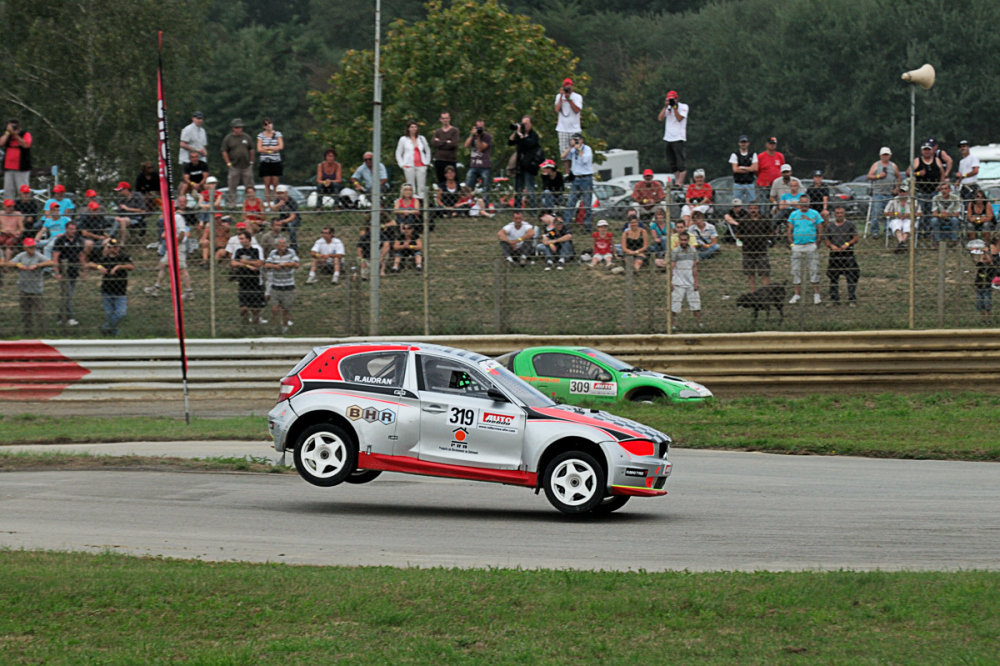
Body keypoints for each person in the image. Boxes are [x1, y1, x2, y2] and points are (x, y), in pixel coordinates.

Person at [144, 196, 193, 301]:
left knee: (182, 269)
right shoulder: (169, 218)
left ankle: (189, 292)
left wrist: (176, 243)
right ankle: (156, 288)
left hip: (178, 246)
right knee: (163, 265)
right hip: (171, 246)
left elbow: (182, 233)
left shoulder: (177, 218)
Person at [86, 239, 133, 336]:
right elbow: (89, 263)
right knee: (109, 314)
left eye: (117, 247)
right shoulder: (104, 259)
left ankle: (105, 327)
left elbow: (131, 266)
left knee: (121, 313)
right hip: (107, 290)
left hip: (120, 290)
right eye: (113, 247)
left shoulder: (123, 257)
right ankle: (113, 334)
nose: (115, 249)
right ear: (109, 248)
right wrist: (99, 267)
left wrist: (119, 266)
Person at [787, 195, 824, 305]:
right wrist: (791, 244)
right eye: (802, 203)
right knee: (796, 270)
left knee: (814, 269)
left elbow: (820, 228)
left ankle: (816, 294)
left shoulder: (815, 214)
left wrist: (817, 242)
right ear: (799, 203)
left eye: (806, 202)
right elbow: (789, 230)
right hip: (797, 245)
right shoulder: (794, 214)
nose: (804, 205)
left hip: (810, 244)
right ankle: (797, 294)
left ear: (809, 203)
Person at [11, 238, 53, 335]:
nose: (32, 249)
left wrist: (37, 265)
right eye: (30, 247)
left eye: (34, 247)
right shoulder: (21, 256)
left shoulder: (38, 256)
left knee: (39, 312)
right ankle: (27, 331)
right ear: (25, 248)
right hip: (23, 288)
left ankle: (42, 331)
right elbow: (10, 263)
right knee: (25, 312)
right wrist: (18, 265)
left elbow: (50, 262)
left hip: (36, 289)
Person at [729, 202, 771, 290]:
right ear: (748, 209)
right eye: (751, 208)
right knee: (750, 274)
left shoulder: (764, 220)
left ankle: (766, 294)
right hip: (747, 251)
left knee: (765, 273)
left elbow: (769, 232)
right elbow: (738, 233)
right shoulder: (744, 220)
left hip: (762, 250)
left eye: (755, 208)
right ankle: (754, 295)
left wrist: (763, 240)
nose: (753, 210)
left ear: (758, 209)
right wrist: (745, 240)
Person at [823, 205, 860, 306]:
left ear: (844, 214)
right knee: (833, 277)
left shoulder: (850, 224)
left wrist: (847, 244)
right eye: (837, 213)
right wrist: (831, 246)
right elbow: (826, 239)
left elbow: (856, 238)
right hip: (834, 254)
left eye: (841, 213)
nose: (839, 215)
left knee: (851, 277)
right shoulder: (830, 226)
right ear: (834, 215)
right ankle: (834, 299)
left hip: (847, 254)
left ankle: (852, 299)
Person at [51, 221, 85, 327]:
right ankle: (69, 317)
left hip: (74, 271)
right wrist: (56, 271)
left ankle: (61, 317)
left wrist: (83, 270)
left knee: (68, 295)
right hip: (64, 271)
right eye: (70, 229)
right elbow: (55, 257)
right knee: (68, 294)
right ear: (66, 229)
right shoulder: (60, 240)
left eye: (74, 229)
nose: (72, 231)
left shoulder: (79, 240)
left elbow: (81, 255)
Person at [264, 237, 299, 333]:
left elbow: (296, 263)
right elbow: (266, 264)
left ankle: (285, 326)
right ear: (276, 246)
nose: (283, 245)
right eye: (280, 243)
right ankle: (276, 327)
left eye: (284, 243)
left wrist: (284, 265)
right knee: (274, 309)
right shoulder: (273, 253)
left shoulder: (291, 252)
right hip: (276, 285)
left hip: (288, 285)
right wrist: (275, 266)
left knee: (285, 309)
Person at [230, 231, 266, 325]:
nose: (240, 241)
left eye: (242, 239)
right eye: (239, 239)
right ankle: (245, 325)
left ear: (248, 239)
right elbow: (233, 263)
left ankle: (255, 326)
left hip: (256, 282)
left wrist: (245, 261)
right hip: (243, 282)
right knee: (244, 308)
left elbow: (259, 263)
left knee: (255, 309)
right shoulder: (239, 251)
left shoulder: (256, 250)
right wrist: (247, 265)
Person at [562, 133, 594, 232]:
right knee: (570, 203)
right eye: (574, 140)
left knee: (587, 205)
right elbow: (563, 156)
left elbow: (584, 160)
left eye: (577, 140)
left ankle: (587, 226)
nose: (576, 142)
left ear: (581, 140)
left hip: (586, 179)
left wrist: (579, 149)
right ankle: (566, 225)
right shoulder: (572, 150)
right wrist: (570, 147)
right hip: (576, 179)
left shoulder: (587, 149)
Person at [866, 147, 901, 239]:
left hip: (889, 193)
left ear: (890, 155)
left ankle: (888, 231)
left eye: (887, 155)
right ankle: (875, 232)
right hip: (878, 193)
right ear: (880, 155)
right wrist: (878, 176)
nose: (885, 156)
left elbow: (899, 177)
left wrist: (897, 187)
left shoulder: (893, 166)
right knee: (876, 214)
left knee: (889, 214)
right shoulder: (876, 165)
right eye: (884, 155)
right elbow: (869, 176)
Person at [508, 116, 542, 210]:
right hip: (519, 165)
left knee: (530, 189)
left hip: (529, 166)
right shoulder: (519, 134)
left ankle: (533, 210)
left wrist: (520, 134)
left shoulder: (534, 135)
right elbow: (510, 142)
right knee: (518, 189)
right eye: (523, 123)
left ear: (531, 124)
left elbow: (528, 144)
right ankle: (517, 210)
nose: (524, 125)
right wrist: (516, 132)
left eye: (526, 123)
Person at [221, 118, 255, 207]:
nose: (239, 129)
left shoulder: (246, 137)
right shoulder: (228, 138)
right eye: (236, 127)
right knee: (232, 186)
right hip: (234, 166)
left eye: (240, 127)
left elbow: (251, 149)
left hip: (246, 166)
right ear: (233, 128)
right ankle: (231, 205)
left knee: (249, 186)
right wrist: (228, 163)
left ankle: (251, 204)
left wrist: (251, 162)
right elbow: (224, 151)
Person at [670, 232, 701, 327]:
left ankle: (699, 323)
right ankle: (672, 324)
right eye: (682, 240)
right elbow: (671, 267)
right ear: (679, 240)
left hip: (690, 282)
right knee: (675, 304)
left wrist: (696, 282)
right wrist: (671, 282)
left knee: (695, 303)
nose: (683, 242)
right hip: (678, 282)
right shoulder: (675, 252)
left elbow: (694, 267)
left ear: (688, 240)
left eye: (685, 240)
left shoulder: (693, 251)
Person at [658, 91, 688, 186]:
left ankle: (680, 182)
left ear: (677, 99)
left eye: (673, 99)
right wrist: (665, 106)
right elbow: (660, 118)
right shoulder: (668, 108)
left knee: (680, 162)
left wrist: (674, 107)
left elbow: (679, 118)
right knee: (672, 162)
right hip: (668, 137)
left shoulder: (683, 107)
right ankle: (677, 180)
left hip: (678, 137)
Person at [396, 120, 431, 203]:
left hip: (421, 164)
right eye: (412, 127)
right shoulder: (403, 139)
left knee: (421, 186)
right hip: (409, 165)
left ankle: (422, 203)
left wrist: (427, 163)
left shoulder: (421, 138)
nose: (414, 129)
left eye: (415, 127)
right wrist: (402, 164)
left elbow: (427, 150)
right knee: (411, 185)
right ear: (408, 128)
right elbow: (398, 152)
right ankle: (412, 203)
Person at [554, 78, 583, 175]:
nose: (567, 88)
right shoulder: (559, 96)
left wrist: (569, 99)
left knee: (577, 151)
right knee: (564, 153)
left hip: (575, 129)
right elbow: (557, 110)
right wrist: (562, 97)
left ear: (572, 86)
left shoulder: (577, 97)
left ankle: (576, 171)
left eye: (569, 86)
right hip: (562, 129)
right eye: (566, 86)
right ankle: (567, 173)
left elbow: (577, 110)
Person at [912, 142, 944, 222]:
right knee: (920, 212)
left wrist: (940, 185)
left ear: (932, 151)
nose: (927, 151)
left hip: (934, 192)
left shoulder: (937, 160)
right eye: (925, 150)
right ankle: (919, 232)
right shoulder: (917, 160)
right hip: (921, 192)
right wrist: (918, 173)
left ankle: (930, 232)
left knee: (932, 212)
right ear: (921, 151)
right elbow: (908, 173)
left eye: (928, 150)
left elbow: (942, 174)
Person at [256, 118, 284, 207]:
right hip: (265, 161)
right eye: (266, 124)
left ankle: (275, 202)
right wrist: (270, 150)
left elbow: (280, 146)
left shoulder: (277, 134)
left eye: (270, 123)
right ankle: (268, 203)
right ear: (263, 126)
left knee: (275, 182)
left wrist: (269, 148)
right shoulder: (260, 136)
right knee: (267, 183)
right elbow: (259, 148)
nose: (269, 126)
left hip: (276, 161)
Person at [2, 118, 32, 199]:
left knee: (22, 191)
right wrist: (8, 133)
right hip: (9, 168)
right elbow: (1, 143)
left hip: (22, 168)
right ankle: (9, 208)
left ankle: (24, 208)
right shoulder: (8, 135)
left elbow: (26, 145)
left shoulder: (25, 134)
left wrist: (15, 134)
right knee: (8, 191)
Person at [464, 119, 493, 203]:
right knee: (468, 186)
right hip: (474, 165)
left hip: (485, 165)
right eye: (478, 127)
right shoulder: (473, 136)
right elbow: (466, 145)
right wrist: (472, 134)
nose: (480, 129)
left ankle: (485, 206)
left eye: (481, 127)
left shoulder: (487, 137)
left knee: (485, 188)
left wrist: (478, 137)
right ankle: (467, 204)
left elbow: (480, 148)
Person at [970, 240, 997, 325]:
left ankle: (989, 320)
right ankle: (983, 320)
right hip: (980, 287)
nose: (984, 260)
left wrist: (985, 252)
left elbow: (990, 261)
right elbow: (975, 261)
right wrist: (972, 255)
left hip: (987, 288)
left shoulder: (992, 267)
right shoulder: (981, 265)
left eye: (985, 258)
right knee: (980, 305)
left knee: (987, 304)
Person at [884, 181, 915, 253]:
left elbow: (919, 213)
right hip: (897, 218)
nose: (902, 193)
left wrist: (908, 214)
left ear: (907, 192)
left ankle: (901, 244)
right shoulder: (893, 200)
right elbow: (885, 212)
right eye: (900, 192)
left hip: (908, 219)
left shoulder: (913, 201)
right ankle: (902, 243)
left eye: (904, 192)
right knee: (896, 224)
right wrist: (896, 213)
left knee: (908, 224)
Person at [930, 182, 961, 248]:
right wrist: (941, 215)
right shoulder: (936, 198)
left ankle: (954, 241)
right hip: (940, 218)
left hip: (951, 218)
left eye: (946, 189)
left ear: (950, 190)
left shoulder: (955, 198)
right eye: (942, 189)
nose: (944, 191)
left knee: (955, 220)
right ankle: (937, 242)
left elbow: (957, 213)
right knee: (934, 220)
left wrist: (948, 214)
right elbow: (934, 213)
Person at [431, 112, 460, 184]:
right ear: (440, 120)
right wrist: (446, 141)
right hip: (439, 159)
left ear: (449, 119)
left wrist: (440, 142)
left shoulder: (455, 131)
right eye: (443, 118)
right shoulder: (438, 132)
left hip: (450, 160)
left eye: (447, 118)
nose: (445, 120)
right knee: (441, 181)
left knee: (453, 181)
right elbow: (434, 143)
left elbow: (454, 144)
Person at [756, 137, 785, 204]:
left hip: (776, 186)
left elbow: (782, 169)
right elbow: (757, 171)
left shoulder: (780, 156)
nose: (772, 145)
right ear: (767, 144)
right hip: (764, 186)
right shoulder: (760, 156)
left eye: (774, 144)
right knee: (763, 204)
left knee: (776, 203)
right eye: (771, 143)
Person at [730, 135, 758, 204]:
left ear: (748, 143)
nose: (743, 144)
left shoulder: (753, 154)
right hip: (738, 184)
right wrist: (749, 168)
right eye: (742, 142)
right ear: (739, 143)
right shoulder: (735, 155)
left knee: (752, 203)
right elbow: (735, 169)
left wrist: (743, 167)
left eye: (745, 142)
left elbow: (755, 168)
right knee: (736, 204)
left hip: (750, 183)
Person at [273, 185, 300, 251]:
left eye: (282, 193)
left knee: (290, 226)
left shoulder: (291, 201)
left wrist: (283, 222)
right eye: (278, 193)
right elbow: (273, 210)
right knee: (274, 224)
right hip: (282, 218)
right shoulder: (278, 200)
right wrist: (278, 205)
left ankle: (294, 245)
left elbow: (293, 217)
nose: (280, 195)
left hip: (294, 219)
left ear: (286, 193)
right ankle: (275, 244)